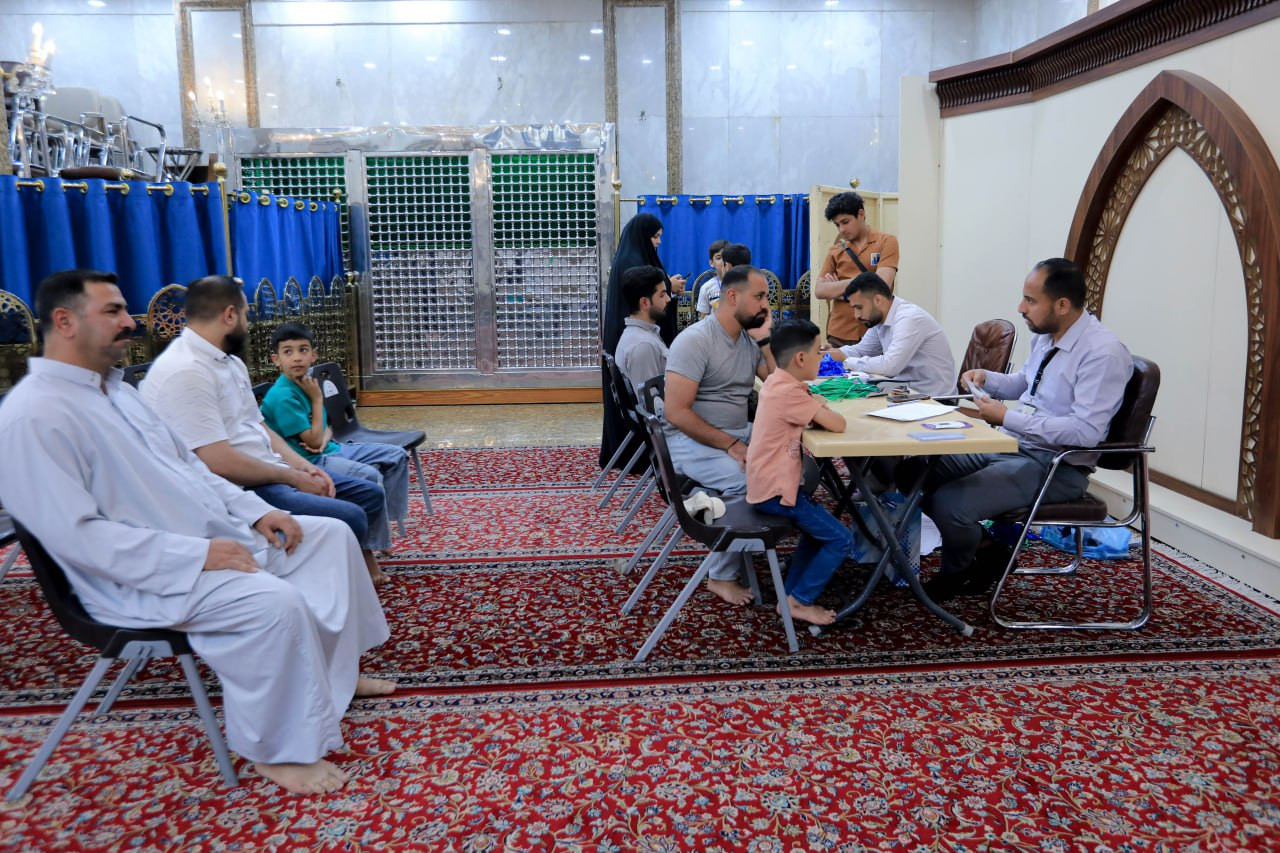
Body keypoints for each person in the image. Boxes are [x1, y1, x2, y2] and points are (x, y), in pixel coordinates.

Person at [0, 269, 394, 795]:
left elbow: (190, 469)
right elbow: (78, 538)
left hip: (206, 536)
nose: (130, 321)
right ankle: (278, 751)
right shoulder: (33, 415)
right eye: (113, 311)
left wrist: (254, 513)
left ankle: (336, 676)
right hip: (141, 576)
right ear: (65, 321)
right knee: (271, 605)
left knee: (329, 538)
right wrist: (198, 555)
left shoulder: (118, 394)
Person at [140, 275, 392, 586]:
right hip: (242, 487)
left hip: (271, 470)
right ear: (229, 315)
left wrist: (300, 466)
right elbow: (217, 462)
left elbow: (259, 427)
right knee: (350, 515)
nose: (248, 325)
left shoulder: (229, 363)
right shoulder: (186, 371)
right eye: (246, 315)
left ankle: (346, 574)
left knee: (368, 494)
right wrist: (290, 477)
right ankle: (326, 585)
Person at [917, 258, 1132, 601]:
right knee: (916, 470)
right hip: (1013, 445)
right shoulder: (1047, 336)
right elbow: (1026, 383)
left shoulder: (1102, 354)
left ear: (1062, 305)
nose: (1021, 308)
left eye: (1031, 300)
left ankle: (955, 573)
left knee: (948, 504)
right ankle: (990, 551)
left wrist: (1007, 417)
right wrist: (988, 379)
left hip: (1056, 467)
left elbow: (1086, 433)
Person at [664, 264, 774, 605]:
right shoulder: (696, 340)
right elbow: (676, 413)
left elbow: (777, 387)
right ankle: (721, 575)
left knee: (798, 466)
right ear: (733, 296)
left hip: (735, 432)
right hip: (690, 440)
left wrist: (765, 341)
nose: (765, 305)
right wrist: (732, 445)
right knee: (747, 479)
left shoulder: (748, 339)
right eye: (759, 297)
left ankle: (753, 540)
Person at [259, 322, 410, 535]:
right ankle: (376, 537)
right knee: (369, 476)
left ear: (313, 355)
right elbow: (312, 442)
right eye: (288, 352)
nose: (297, 358)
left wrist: (322, 438)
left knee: (397, 455)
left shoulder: (307, 383)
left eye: (303, 350)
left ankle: (385, 522)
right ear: (276, 360)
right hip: (313, 461)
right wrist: (317, 400)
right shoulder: (284, 395)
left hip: (331, 448)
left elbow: (328, 426)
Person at [746, 318, 850, 626]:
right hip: (776, 491)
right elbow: (838, 424)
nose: (823, 358)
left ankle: (789, 596)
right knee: (841, 539)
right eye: (820, 352)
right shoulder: (790, 394)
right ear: (801, 358)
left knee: (820, 532)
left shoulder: (776, 383)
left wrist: (813, 402)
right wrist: (818, 404)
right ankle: (799, 600)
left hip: (766, 485)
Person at [599, 213, 686, 469]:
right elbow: (652, 401)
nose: (658, 242)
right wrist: (669, 285)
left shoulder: (631, 258)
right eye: (655, 236)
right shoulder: (633, 263)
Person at [824, 272, 956, 398]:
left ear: (878, 300)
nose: (856, 315)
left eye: (859, 307)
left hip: (936, 400)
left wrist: (846, 361)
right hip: (906, 394)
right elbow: (861, 350)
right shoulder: (879, 318)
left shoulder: (909, 318)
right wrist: (831, 354)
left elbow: (890, 366)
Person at [813, 192, 899, 348]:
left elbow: (881, 286)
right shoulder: (835, 251)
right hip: (839, 332)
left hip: (876, 331)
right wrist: (866, 281)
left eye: (845, 222)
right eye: (837, 225)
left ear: (861, 214)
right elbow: (819, 291)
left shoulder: (886, 242)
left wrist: (838, 290)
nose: (841, 229)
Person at [614, 265, 672, 396]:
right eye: (662, 295)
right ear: (645, 302)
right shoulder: (643, 345)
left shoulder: (644, 334)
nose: (668, 299)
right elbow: (652, 402)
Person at [695, 239, 730, 319]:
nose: (723, 261)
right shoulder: (706, 287)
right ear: (711, 262)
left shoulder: (740, 284)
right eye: (718, 258)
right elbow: (703, 318)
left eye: (727, 257)